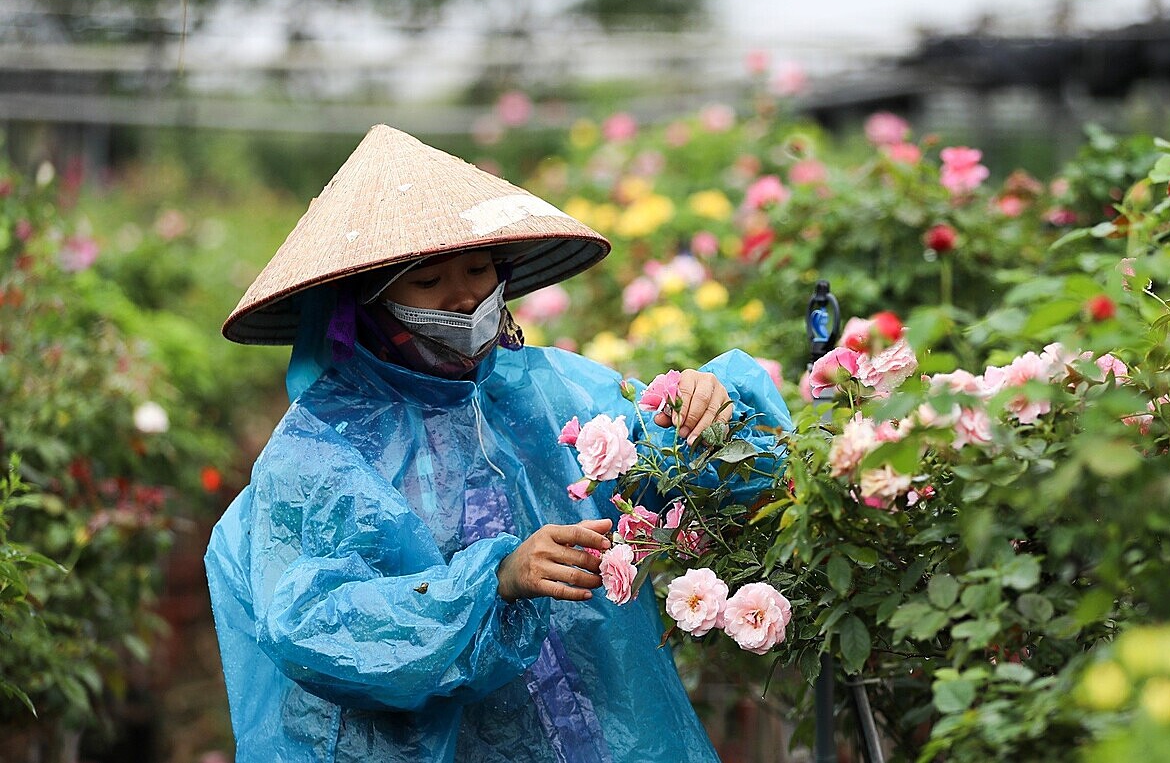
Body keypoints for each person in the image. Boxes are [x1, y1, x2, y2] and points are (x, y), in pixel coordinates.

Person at [205, 124, 792, 762]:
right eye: (428, 284)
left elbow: (669, 464)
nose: (464, 296)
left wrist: (712, 406)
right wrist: (494, 582)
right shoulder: (319, 448)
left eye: (479, 269)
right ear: (365, 304)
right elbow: (311, 623)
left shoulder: (551, 389)